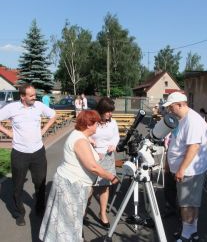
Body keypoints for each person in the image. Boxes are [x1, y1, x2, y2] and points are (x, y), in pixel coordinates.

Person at [39, 110, 119, 241]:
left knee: (66, 221)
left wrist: (92, 147)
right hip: (71, 185)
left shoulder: (81, 136)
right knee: (67, 223)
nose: (98, 126)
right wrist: (111, 177)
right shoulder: (80, 140)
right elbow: (92, 167)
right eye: (96, 124)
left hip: (72, 183)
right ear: (88, 125)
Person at [0, 84, 57, 226]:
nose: (34, 97)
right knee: (18, 187)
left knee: (40, 183)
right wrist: (9, 134)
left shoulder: (38, 106)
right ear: (22, 96)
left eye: (34, 94)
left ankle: (39, 208)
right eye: (31, 95)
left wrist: (43, 130)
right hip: (19, 153)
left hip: (38, 152)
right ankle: (20, 213)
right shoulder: (12, 108)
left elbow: (53, 115)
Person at [163, 92, 207, 242]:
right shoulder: (181, 118)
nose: (169, 110)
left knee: (186, 204)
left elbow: (194, 147)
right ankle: (192, 231)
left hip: (190, 170)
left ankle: (187, 235)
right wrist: (168, 162)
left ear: (180, 104)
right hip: (184, 168)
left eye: (171, 107)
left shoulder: (193, 120)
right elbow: (175, 141)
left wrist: (181, 169)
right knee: (191, 202)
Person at [91, 97, 120, 228]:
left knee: (104, 186)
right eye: (108, 111)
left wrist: (113, 145)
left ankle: (102, 214)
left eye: (111, 111)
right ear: (101, 110)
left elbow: (116, 136)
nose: (110, 114)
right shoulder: (92, 121)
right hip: (92, 157)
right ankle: (83, 213)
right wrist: (93, 148)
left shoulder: (112, 122)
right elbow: (84, 136)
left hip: (108, 157)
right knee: (89, 188)